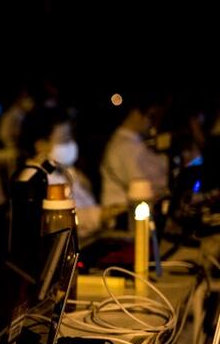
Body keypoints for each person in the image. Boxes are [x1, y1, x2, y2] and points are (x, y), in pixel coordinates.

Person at [17, 106, 103, 239]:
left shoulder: (64, 170)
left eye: (70, 138)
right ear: (40, 145)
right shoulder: (33, 180)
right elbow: (59, 221)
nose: (71, 144)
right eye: (64, 139)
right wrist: (102, 215)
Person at [100, 95, 168, 207]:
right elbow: (144, 185)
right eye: (152, 117)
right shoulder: (124, 146)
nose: (154, 125)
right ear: (136, 114)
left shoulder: (134, 142)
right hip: (121, 216)